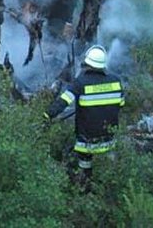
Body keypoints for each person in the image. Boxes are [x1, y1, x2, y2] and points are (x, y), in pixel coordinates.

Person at [44, 45, 125, 191]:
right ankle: (109, 186)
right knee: (109, 167)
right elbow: (121, 104)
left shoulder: (80, 82)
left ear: (87, 63)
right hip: (109, 140)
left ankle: (85, 186)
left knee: (85, 164)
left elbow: (63, 102)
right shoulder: (116, 81)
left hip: (87, 142)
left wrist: (47, 115)